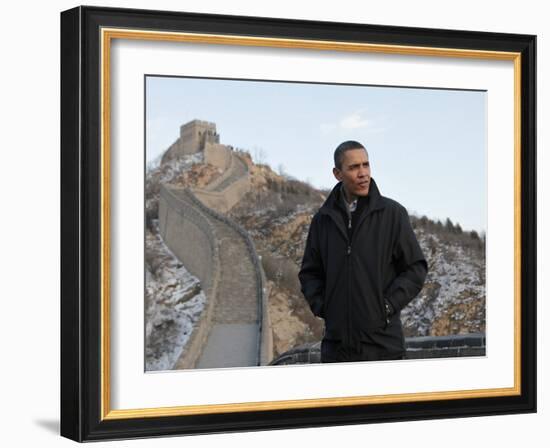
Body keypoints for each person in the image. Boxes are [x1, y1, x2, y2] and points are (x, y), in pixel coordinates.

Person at [298, 140, 428, 363]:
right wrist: (325, 307)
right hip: (336, 350)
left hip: (384, 348)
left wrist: (386, 306)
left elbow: (415, 268)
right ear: (337, 174)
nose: (362, 173)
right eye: (353, 167)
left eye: (365, 165)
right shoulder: (322, 221)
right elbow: (310, 273)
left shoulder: (392, 214)